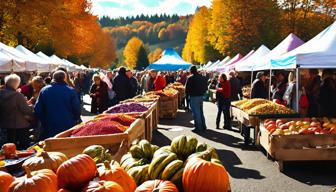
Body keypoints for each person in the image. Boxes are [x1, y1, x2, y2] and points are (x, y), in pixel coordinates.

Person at [34, 70, 81, 139]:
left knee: (49, 146)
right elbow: (77, 109)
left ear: (53, 78)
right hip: (67, 125)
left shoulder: (44, 90)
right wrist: (76, 119)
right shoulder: (70, 91)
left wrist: (44, 121)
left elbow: (37, 109)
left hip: (49, 125)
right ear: (64, 78)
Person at [0, 74, 34, 149]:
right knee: (22, 149)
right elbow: (27, 111)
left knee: (7, 149)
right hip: (19, 126)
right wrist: (31, 106)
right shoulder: (17, 96)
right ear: (17, 84)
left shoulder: (1, 94)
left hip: (4, 126)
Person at [185, 66, 208, 132]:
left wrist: (188, 95)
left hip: (194, 96)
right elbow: (206, 87)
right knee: (200, 112)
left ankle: (198, 127)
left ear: (191, 71)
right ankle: (203, 126)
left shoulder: (190, 78)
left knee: (196, 113)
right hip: (200, 96)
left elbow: (187, 89)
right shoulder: (202, 77)